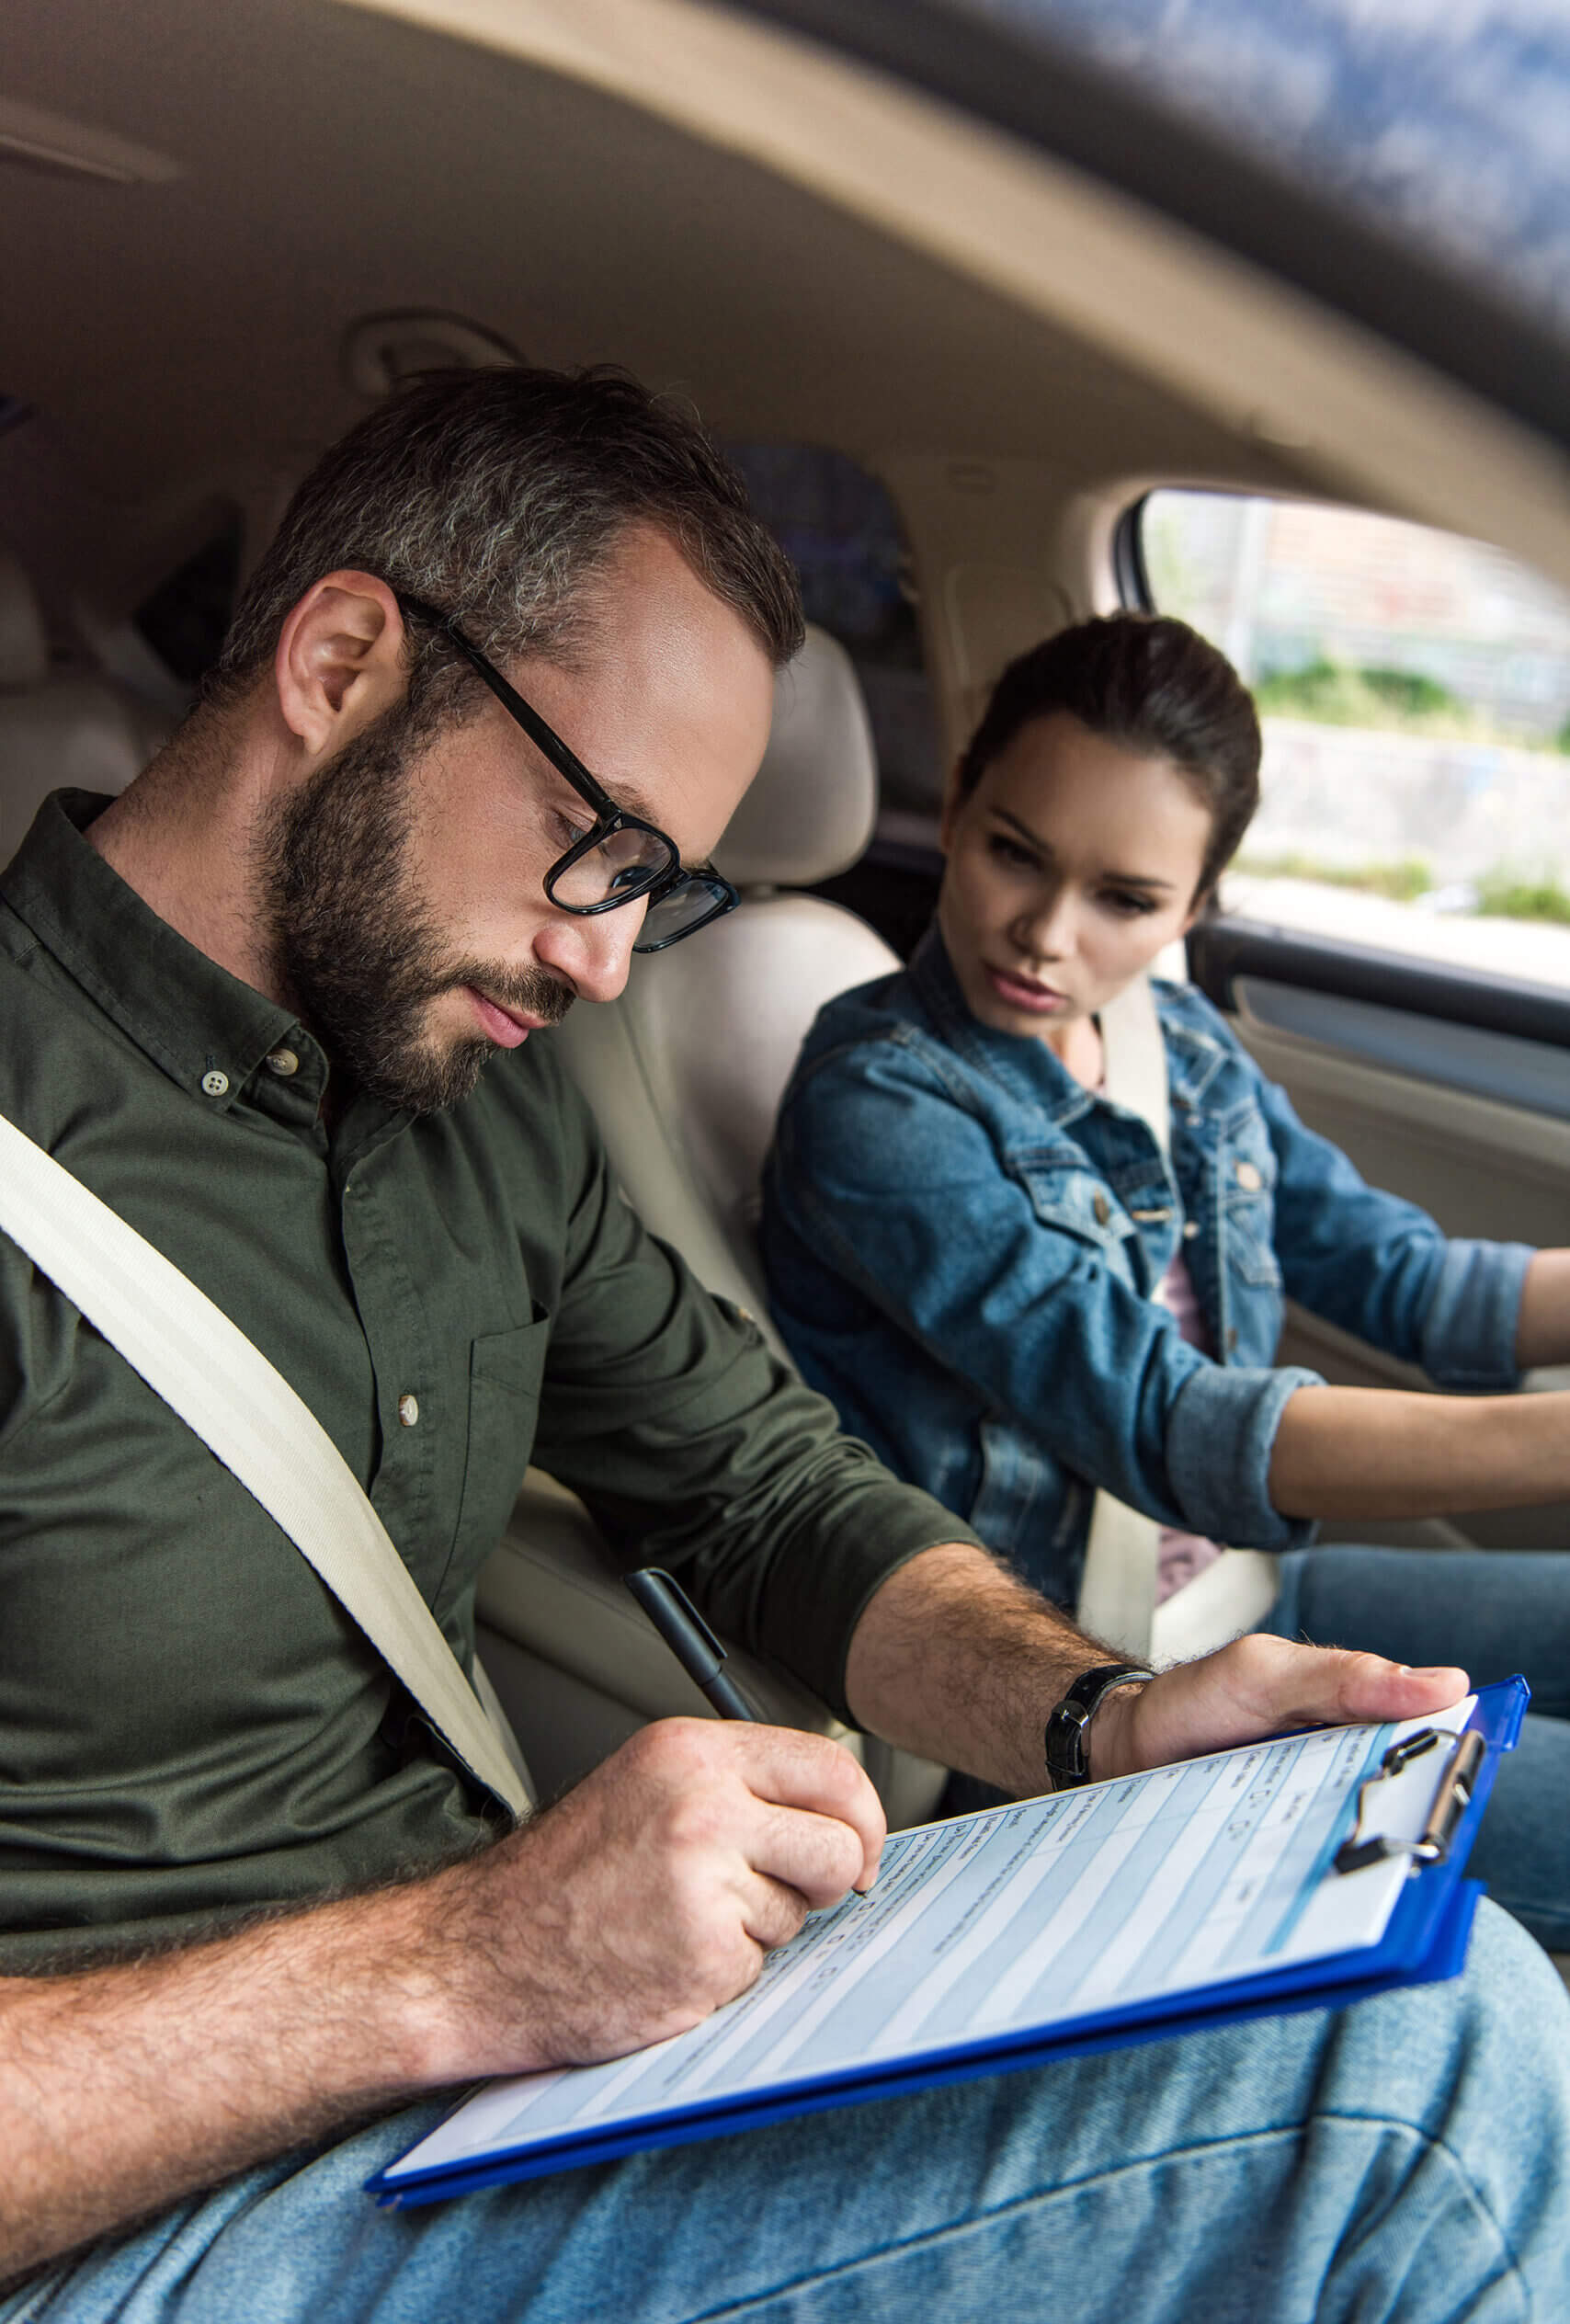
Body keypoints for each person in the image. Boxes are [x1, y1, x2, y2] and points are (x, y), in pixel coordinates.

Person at [0, 376, 1565, 2323]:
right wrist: (462, 1961)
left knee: (1388, 1944)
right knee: (1408, 2087)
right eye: (599, 847)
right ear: (339, 661)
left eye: (662, 893)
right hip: (145, 2227)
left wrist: (1095, 1718)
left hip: (500, 2080)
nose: (597, 962)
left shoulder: (481, 1100)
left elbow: (762, 1485)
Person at [762, 611, 1570, 1948]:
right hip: (1085, 1685)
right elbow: (1171, 1425)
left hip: (1256, 1602)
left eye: (1125, 900)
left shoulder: (1177, 1042)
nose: (1044, 934)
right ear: (957, 808)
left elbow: (1402, 1277)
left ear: (1194, 909)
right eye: (1015, 854)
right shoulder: (879, 1103)